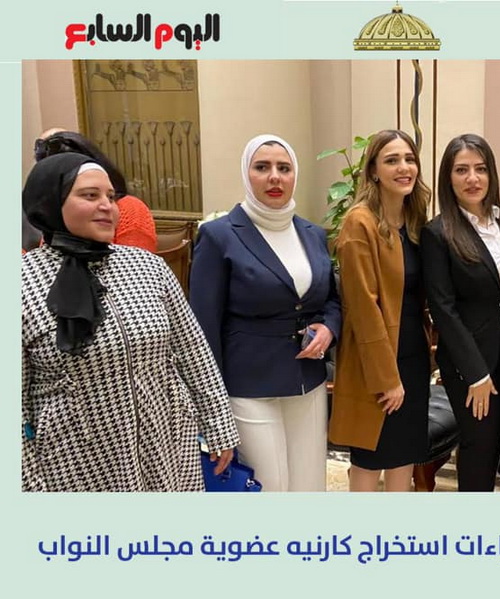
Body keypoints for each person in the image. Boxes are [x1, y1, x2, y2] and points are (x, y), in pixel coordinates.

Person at [21, 153, 239, 492]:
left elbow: (193, 352)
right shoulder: (23, 283)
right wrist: (27, 485)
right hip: (76, 463)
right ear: (50, 202)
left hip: (168, 446)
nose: (107, 206)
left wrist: (219, 424)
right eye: (90, 195)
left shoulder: (147, 267)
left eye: (111, 197)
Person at [188, 134, 341, 492]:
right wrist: (211, 412)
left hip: (307, 381)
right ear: (247, 173)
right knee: (270, 488)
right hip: (248, 387)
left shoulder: (312, 234)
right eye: (262, 167)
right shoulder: (219, 236)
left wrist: (329, 328)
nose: (275, 177)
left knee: (309, 487)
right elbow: (203, 329)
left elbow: (332, 300)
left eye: (284, 168)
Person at [420, 134, 500, 491]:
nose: (472, 178)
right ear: (448, 177)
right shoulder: (438, 232)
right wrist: (476, 374)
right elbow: (443, 308)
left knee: (498, 443)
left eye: (480, 169)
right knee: (478, 446)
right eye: (461, 170)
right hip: (471, 359)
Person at [329, 129, 431, 492]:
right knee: (370, 460)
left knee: (404, 456)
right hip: (376, 364)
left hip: (413, 359)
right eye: (392, 160)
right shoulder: (360, 222)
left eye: (409, 159)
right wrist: (387, 379)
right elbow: (363, 307)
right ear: (373, 170)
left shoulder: (415, 221)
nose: (404, 168)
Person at [28, 128, 158, 253]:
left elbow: (136, 262)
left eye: (110, 197)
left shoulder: (129, 210)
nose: (106, 206)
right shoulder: (53, 220)